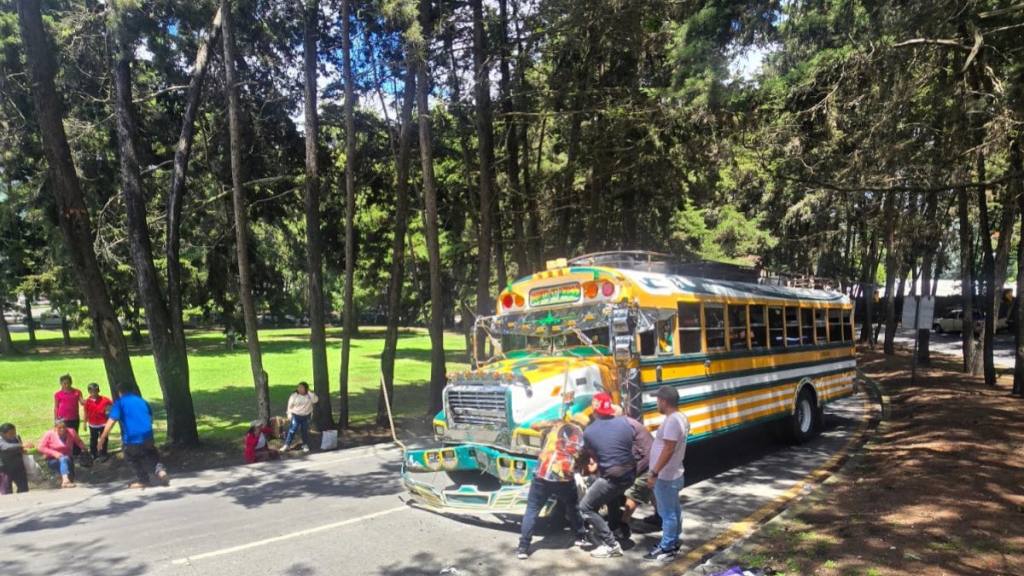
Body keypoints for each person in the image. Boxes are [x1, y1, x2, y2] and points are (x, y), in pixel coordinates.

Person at [515, 418, 588, 560]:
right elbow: (581, 457)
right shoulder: (580, 434)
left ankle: (523, 547)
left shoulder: (556, 425)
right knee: (572, 506)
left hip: (542, 474)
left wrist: (552, 422)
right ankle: (580, 535)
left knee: (532, 509)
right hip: (563, 477)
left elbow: (534, 425)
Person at [578, 392, 637, 558]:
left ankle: (611, 544)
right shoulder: (625, 423)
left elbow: (593, 457)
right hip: (630, 473)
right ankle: (614, 527)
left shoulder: (589, 432)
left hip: (612, 476)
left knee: (585, 508)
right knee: (611, 498)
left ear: (594, 410)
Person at [643, 385, 691, 562]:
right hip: (674, 472)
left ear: (664, 401)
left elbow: (669, 448)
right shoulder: (680, 417)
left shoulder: (672, 421)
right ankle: (674, 540)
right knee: (674, 510)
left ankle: (667, 548)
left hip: (665, 475)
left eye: (657, 400)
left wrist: (654, 472)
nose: (657, 404)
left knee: (667, 513)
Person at [98, 383, 167, 488]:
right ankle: (160, 470)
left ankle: (143, 480)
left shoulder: (120, 403)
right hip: (147, 434)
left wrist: (102, 438)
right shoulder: (142, 401)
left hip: (132, 437)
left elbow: (111, 421)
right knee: (151, 452)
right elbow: (150, 418)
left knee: (130, 456)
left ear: (120, 392)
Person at [619, 409, 655, 539]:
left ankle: (624, 524)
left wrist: (633, 473)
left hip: (649, 462)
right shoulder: (627, 424)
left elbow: (644, 456)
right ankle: (660, 517)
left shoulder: (626, 427)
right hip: (651, 459)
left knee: (634, 492)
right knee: (653, 491)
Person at [38, 418, 85, 488]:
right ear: (55, 428)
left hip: (68, 459)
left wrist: (84, 449)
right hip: (52, 460)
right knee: (63, 459)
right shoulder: (49, 434)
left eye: (64, 427)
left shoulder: (71, 432)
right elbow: (40, 447)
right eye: (59, 428)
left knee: (71, 476)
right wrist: (54, 453)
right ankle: (65, 481)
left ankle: (64, 479)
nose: (62, 429)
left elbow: (78, 441)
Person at [282, 382, 318, 453]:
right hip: (296, 415)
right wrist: (289, 414)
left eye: (301, 388)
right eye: (298, 387)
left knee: (304, 431)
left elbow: (315, 400)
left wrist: (309, 392)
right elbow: (290, 406)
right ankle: (287, 445)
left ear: (306, 388)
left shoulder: (309, 396)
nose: (299, 389)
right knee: (292, 430)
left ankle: (305, 445)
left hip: (306, 416)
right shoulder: (294, 396)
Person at [53, 374, 84, 456]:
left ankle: (76, 453)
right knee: (63, 435)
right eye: (64, 383)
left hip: (74, 418)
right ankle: (64, 452)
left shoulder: (77, 392)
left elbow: (82, 402)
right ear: (61, 384)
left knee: (75, 435)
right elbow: (56, 407)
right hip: (62, 419)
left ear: (71, 382)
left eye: (68, 383)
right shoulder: (58, 394)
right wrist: (56, 419)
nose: (66, 385)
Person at [84, 383, 113, 461]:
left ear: (98, 390)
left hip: (103, 423)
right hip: (93, 424)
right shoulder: (87, 402)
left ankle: (103, 453)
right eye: (92, 392)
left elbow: (111, 406)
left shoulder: (105, 400)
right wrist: (84, 423)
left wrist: (108, 412)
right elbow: (86, 412)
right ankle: (93, 453)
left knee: (104, 438)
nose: (94, 393)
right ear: (89, 392)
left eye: (95, 391)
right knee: (93, 439)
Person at [0, 423, 31, 494]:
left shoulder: (16, 437)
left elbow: (20, 448)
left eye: (14, 432)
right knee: (6, 492)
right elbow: (5, 447)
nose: (13, 435)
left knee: (24, 489)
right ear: (2, 434)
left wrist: (22, 450)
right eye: (10, 433)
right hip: (4, 469)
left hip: (18, 467)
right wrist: (21, 445)